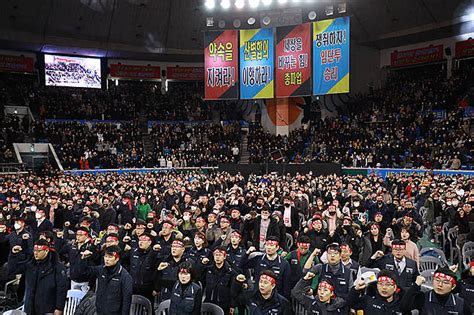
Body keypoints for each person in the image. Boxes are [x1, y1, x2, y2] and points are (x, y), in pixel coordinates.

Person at [8, 239, 68, 315]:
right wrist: (13, 255)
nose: (35, 253)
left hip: (48, 308)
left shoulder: (57, 267)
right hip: (30, 307)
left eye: (39, 251)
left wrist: (59, 308)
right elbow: (12, 270)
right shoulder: (30, 265)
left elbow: (61, 289)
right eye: (34, 250)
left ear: (46, 251)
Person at [80, 245, 133, 315]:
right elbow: (83, 272)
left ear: (117, 259)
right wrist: (83, 259)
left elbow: (127, 301)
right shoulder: (101, 269)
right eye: (105, 256)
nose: (107, 259)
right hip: (99, 311)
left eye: (110, 257)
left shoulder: (125, 276)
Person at [401, 267, 472, 315]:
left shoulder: (461, 304)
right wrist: (416, 286)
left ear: (453, 287)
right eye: (437, 280)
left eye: (445, 282)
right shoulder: (423, 298)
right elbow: (404, 307)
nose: (440, 284)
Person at [198, 246, 237, 314]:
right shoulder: (208, 269)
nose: (217, 257)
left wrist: (232, 305)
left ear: (224, 257)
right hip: (209, 301)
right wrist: (201, 265)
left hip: (224, 304)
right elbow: (198, 278)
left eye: (220, 255)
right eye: (216, 255)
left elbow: (233, 291)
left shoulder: (230, 272)